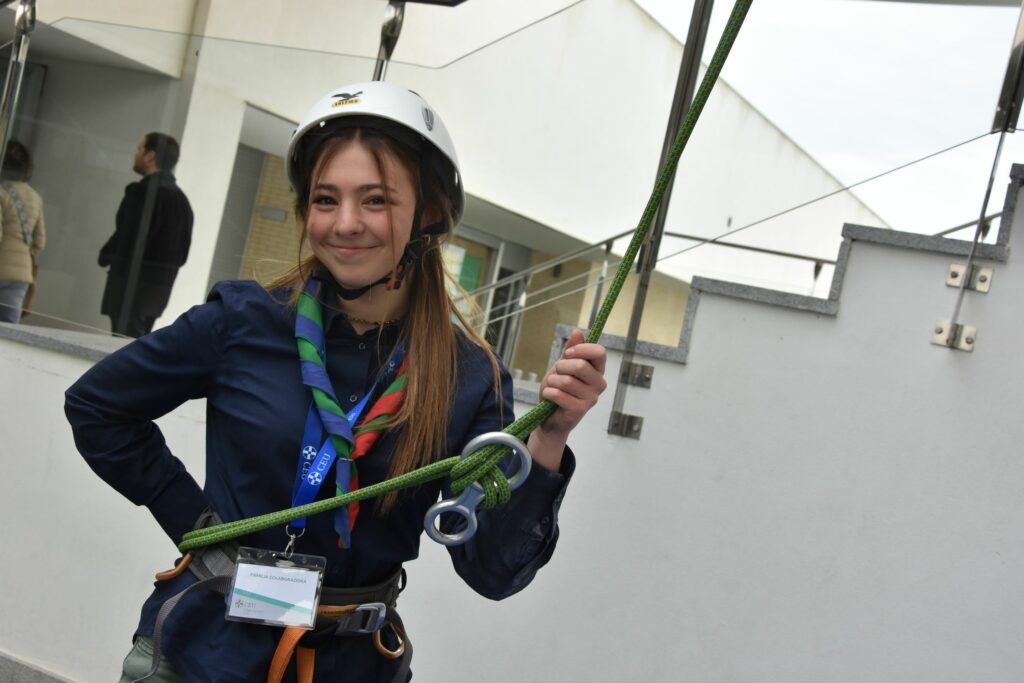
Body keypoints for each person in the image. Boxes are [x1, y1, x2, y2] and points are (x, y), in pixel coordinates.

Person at [65, 82, 607, 682]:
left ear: (429, 215)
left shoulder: (470, 376)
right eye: (326, 200)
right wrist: (195, 523)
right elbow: (97, 407)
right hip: (203, 653)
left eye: (375, 200)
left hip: (352, 666)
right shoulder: (242, 320)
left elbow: (494, 572)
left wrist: (548, 441)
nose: (345, 224)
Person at [99, 132, 193, 337]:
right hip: (157, 294)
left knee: (119, 349)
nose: (136, 154)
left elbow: (128, 237)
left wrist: (106, 254)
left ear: (150, 156)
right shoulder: (182, 203)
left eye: (139, 149)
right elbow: (182, 255)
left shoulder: (145, 193)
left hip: (130, 288)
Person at [0, 140, 45, 323]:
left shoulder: (2, 192)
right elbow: (40, 241)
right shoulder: (35, 197)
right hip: (22, 275)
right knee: (9, 332)